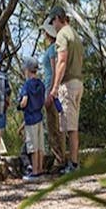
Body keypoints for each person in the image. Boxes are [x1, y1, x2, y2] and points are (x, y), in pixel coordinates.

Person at [47, 5, 84, 174]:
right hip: (78, 83)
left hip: (68, 85)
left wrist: (55, 87)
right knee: (71, 125)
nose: (52, 26)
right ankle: (73, 163)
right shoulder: (75, 35)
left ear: (57, 18)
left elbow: (61, 61)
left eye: (52, 21)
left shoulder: (62, 35)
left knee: (69, 128)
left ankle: (72, 165)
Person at [41, 20, 66, 170]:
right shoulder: (53, 48)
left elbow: (54, 69)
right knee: (55, 125)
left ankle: (59, 159)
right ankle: (59, 157)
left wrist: (51, 92)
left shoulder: (53, 49)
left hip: (51, 91)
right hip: (51, 89)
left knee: (53, 126)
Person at [18, 56, 46, 181]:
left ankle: (34, 172)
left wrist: (20, 106)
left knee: (32, 147)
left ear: (27, 70)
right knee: (40, 146)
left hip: (30, 119)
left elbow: (24, 101)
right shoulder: (41, 84)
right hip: (39, 117)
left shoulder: (27, 85)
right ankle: (39, 170)